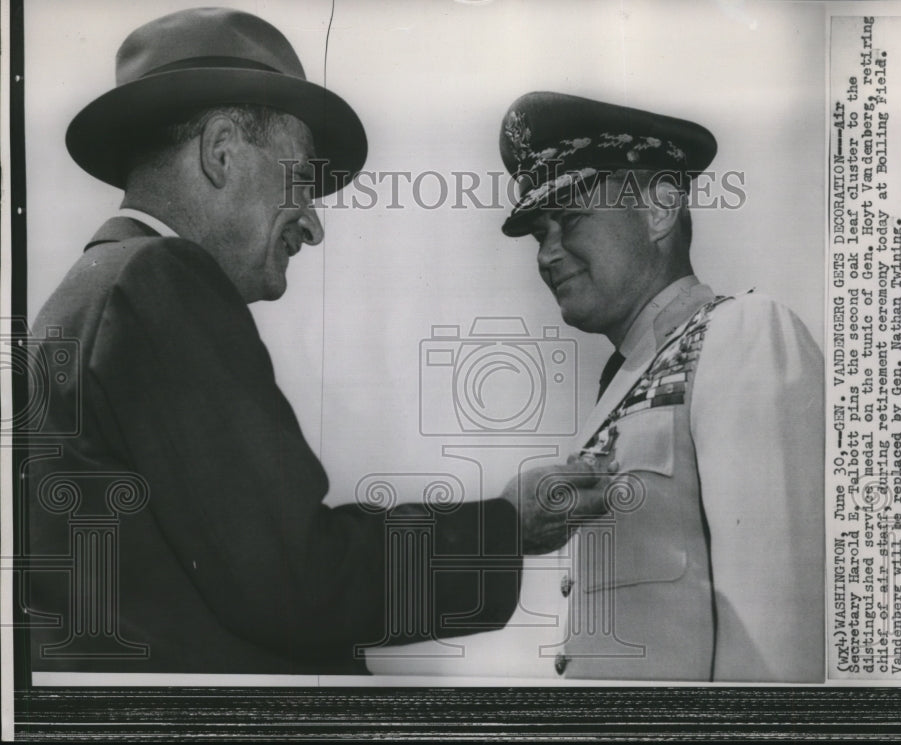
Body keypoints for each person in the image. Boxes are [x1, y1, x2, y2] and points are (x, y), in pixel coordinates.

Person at [24, 10, 611, 675]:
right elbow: (296, 579)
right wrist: (508, 526)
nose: (313, 225)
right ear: (221, 151)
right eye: (302, 180)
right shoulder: (160, 279)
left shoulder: (90, 287)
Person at [498, 92, 824, 682]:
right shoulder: (626, 382)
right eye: (536, 234)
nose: (547, 254)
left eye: (570, 219)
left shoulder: (740, 334)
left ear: (659, 210)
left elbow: (778, 640)